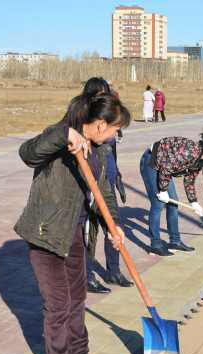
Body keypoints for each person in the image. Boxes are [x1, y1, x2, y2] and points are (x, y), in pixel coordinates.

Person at [14, 90, 131, 354]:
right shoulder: (59, 139)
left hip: (74, 233)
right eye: (116, 129)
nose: (116, 135)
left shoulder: (101, 151)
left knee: (77, 299)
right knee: (59, 305)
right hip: (46, 234)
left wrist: (113, 225)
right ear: (101, 123)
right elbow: (27, 154)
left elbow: (103, 191)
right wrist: (63, 134)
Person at [71, 78, 133, 294]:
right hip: (90, 183)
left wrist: (116, 176)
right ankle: (87, 277)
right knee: (90, 230)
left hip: (107, 175)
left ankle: (113, 270)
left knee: (113, 225)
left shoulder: (109, 120)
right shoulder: (85, 120)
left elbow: (111, 153)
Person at [139, 131, 203, 256]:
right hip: (151, 162)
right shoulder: (190, 152)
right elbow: (166, 168)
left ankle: (175, 241)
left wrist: (194, 202)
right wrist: (163, 190)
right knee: (158, 204)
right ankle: (155, 245)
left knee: (173, 203)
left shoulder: (201, 160)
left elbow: (189, 180)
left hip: (164, 168)